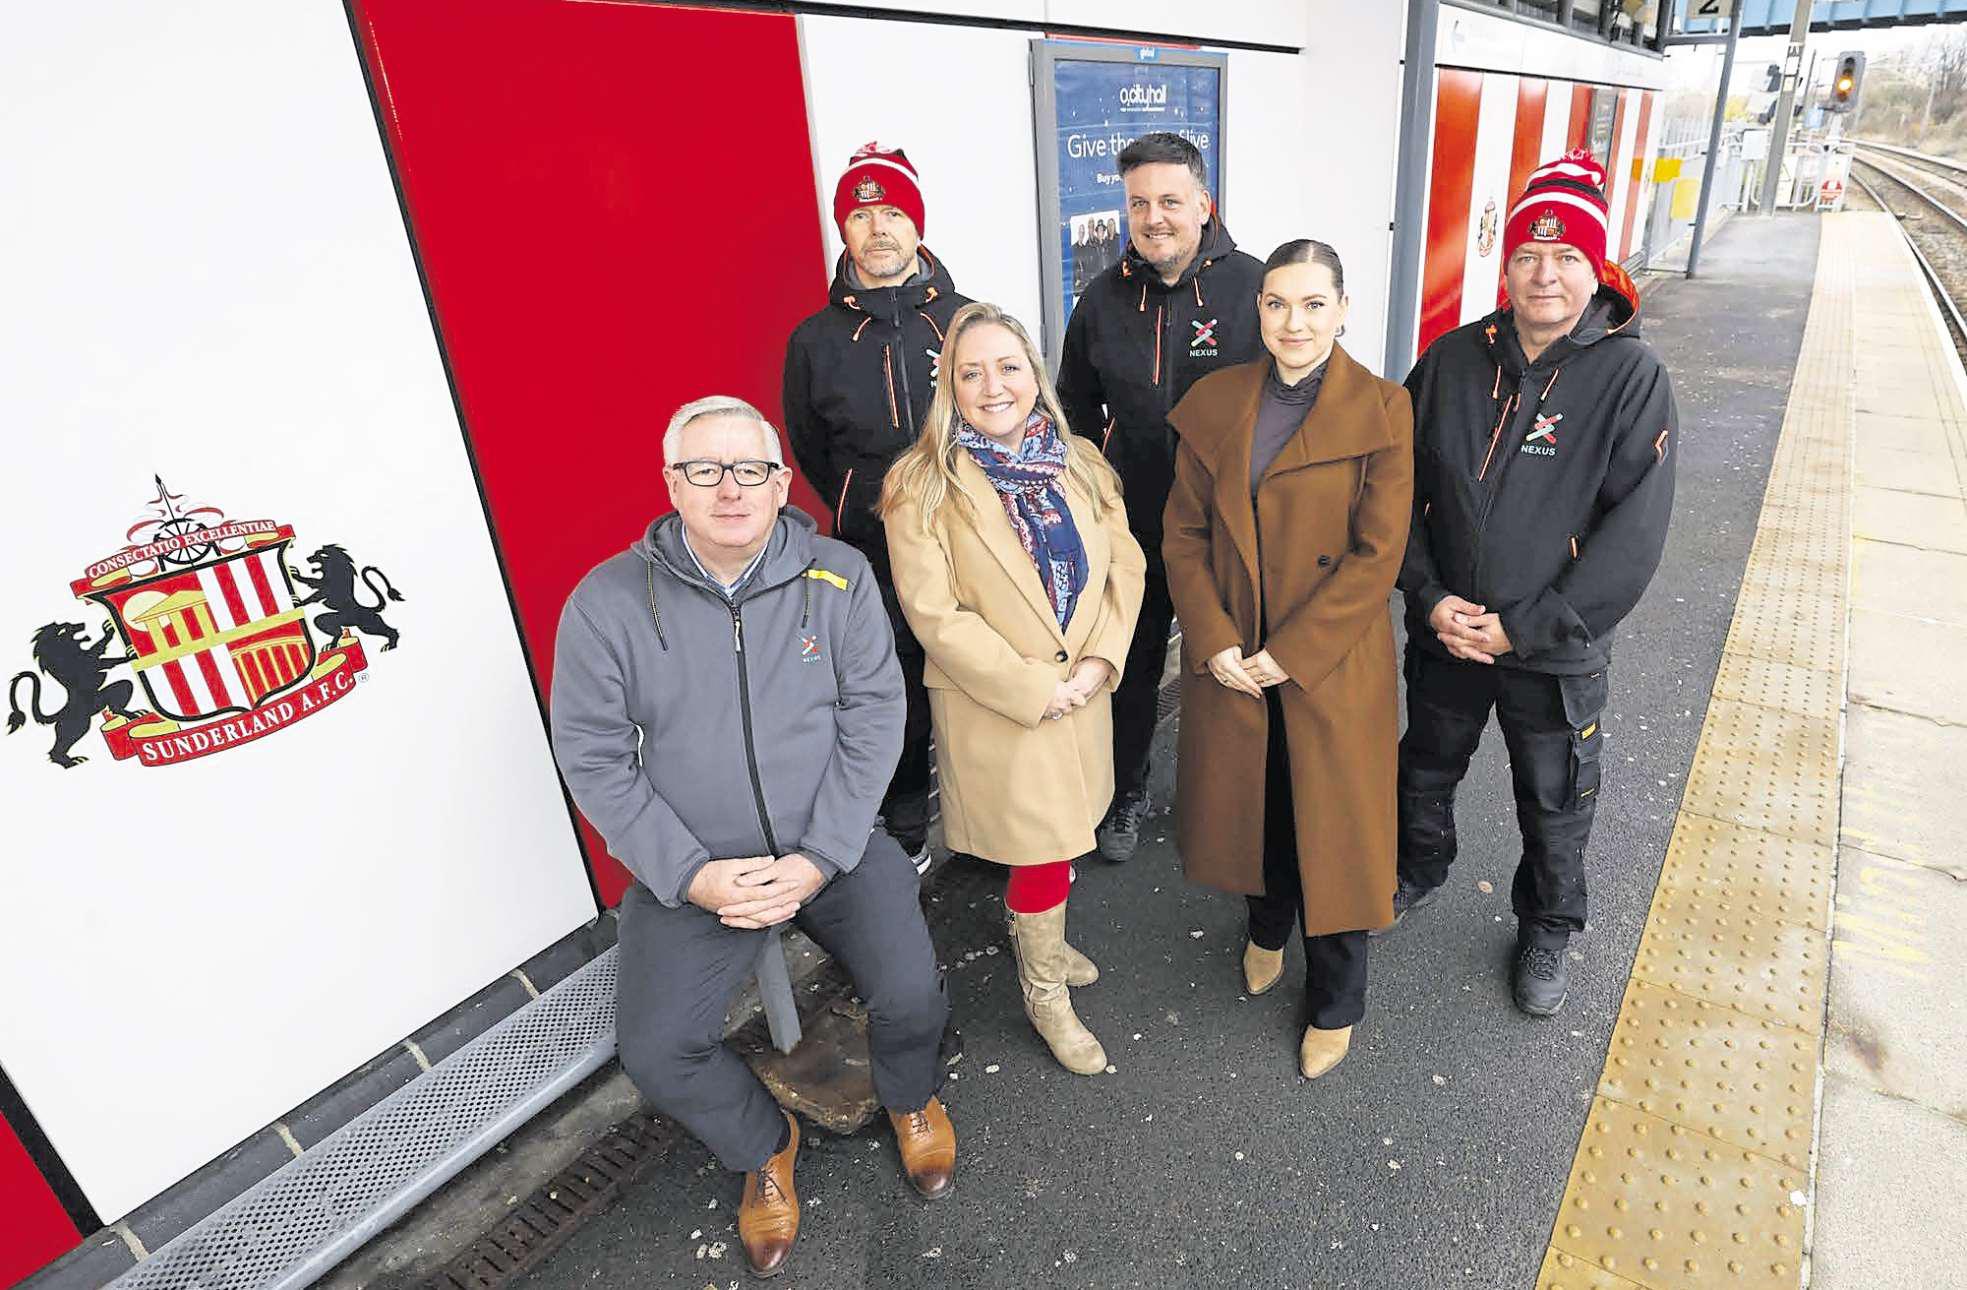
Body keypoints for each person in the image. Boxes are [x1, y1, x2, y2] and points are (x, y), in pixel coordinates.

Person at [550, 396, 955, 1279]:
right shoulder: (607, 601)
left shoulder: (838, 575)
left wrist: (820, 855)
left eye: (749, 470)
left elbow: (876, 715)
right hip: (701, 865)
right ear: (671, 485)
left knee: (913, 994)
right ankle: (763, 1147)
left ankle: (910, 1098)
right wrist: (689, 874)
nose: (727, 488)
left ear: (779, 484)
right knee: (657, 1050)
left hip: (831, 845)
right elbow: (590, 753)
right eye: (704, 469)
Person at [1391, 150, 1678, 1017]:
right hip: (1448, 629)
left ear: (1595, 270)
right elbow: (1394, 491)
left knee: (1555, 797)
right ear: (1504, 265)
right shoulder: (1447, 361)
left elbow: (1632, 539)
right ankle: (1416, 867)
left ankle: (1548, 927)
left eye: (1564, 259)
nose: (1543, 274)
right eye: (1526, 256)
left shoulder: (1632, 378)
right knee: (1423, 767)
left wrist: (1523, 628)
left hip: (1550, 647)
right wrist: (1427, 594)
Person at [1163, 240, 1413, 1078]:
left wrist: (1289, 653)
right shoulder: (1215, 400)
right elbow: (1184, 535)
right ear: (1257, 310)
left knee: (1336, 830)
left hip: (1329, 661)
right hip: (1235, 651)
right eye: (1276, 303)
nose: (1293, 322)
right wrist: (1213, 638)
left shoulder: (1381, 409)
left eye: (1312, 304)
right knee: (1255, 806)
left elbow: (1377, 557)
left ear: (1342, 309)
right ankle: (1266, 926)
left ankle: (1337, 997)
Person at [882, 303, 1144, 1075]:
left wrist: (1099, 663)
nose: (992, 385)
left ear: (1034, 374)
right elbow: (936, 616)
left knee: (1063, 839)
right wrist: (1038, 689)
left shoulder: (1081, 460)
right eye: (971, 372)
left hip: (1083, 693)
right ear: (949, 388)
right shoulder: (918, 484)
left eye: (1008, 366)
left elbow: (1124, 565)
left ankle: (1049, 944)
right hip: (1003, 707)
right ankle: (1043, 995)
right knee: (1038, 851)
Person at [1056, 131, 1264, 863]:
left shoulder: (1253, 288)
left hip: (1228, 530)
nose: (1153, 217)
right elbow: (1072, 407)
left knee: (1228, 665)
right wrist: (1093, 490)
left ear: (1203, 204)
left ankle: (1231, 798)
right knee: (1132, 666)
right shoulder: (1103, 297)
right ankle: (1126, 792)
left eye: (1169, 201)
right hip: (1136, 525)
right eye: (1138, 203)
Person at [784, 142, 971, 870]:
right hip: (874, 551)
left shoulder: (963, 320)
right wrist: (864, 504)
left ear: (916, 226)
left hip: (969, 541)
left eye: (892, 211)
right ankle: (904, 831)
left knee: (974, 673)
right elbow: (808, 447)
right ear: (844, 232)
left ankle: (992, 819)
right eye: (861, 216)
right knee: (890, 688)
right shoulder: (814, 341)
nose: (878, 228)